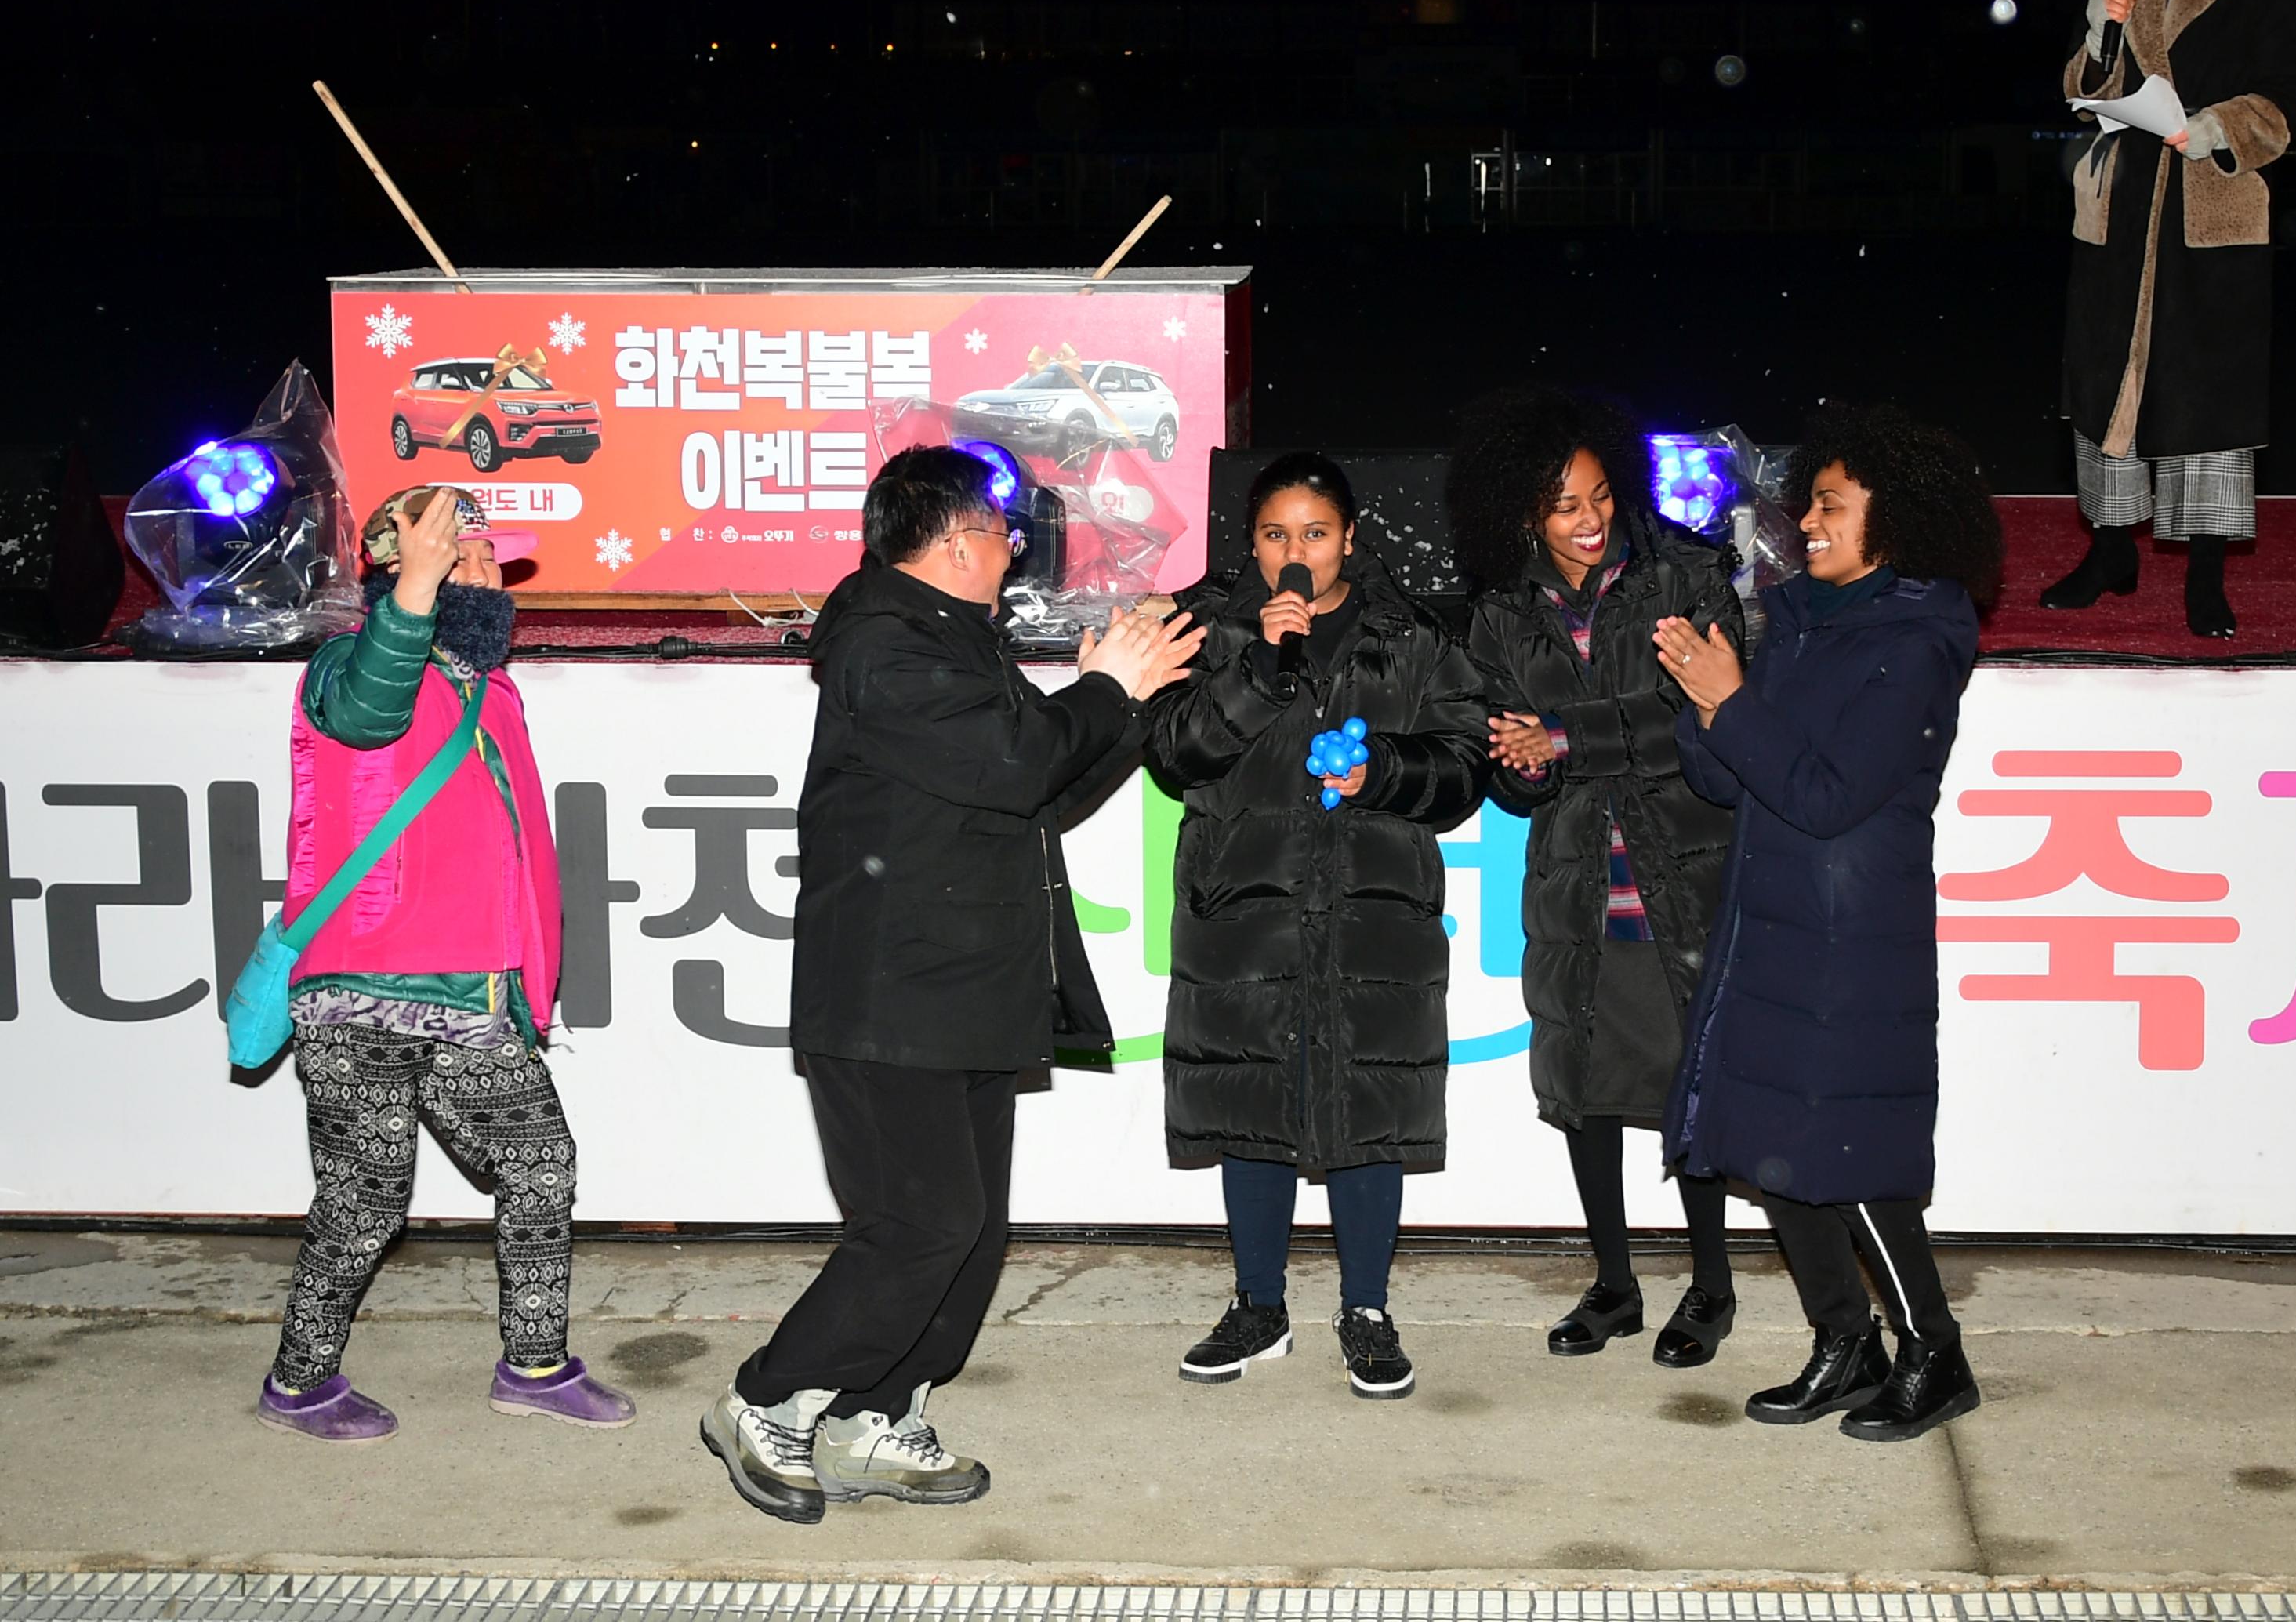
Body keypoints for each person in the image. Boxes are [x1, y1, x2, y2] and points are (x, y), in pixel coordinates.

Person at [703, 445, 1200, 1524]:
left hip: (969, 988)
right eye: (1004, 531)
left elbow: (1039, 783)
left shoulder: (949, 642)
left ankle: (874, 1416)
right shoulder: (886, 647)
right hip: (891, 999)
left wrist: (1130, 700)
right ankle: (765, 1399)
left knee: (970, 1232)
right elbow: (1019, 761)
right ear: (957, 536)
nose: (1014, 549)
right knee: (922, 1225)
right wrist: (1106, 687)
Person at [1655, 402, 2005, 1442]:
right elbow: (1730, 779)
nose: (1806, 522)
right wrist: (1705, 698)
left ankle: (1933, 1352)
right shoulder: (1806, 616)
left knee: (1848, 1154)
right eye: (1809, 502)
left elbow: (1829, 793)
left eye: (1832, 507)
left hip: (1852, 936)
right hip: (1770, 921)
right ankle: (1843, 1340)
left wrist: (1734, 701)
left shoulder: (1919, 638)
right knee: (1777, 1150)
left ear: (1895, 520)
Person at [256, 485, 635, 1442]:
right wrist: (415, 591)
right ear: (401, 564)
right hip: (364, 993)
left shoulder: (490, 690)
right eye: (460, 556)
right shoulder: (350, 663)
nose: (485, 572)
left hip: (474, 994)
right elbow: (369, 711)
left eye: (486, 557)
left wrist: (524, 990)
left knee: (541, 1164)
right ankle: (299, 1382)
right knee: (365, 1201)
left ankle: (536, 1364)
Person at [1148, 451, 1489, 1401]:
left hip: (1373, 913)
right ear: (1249, 540)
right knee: (1253, 1103)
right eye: (1273, 534)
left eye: (1315, 533)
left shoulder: (1414, 633)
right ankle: (1259, 1305)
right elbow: (1175, 752)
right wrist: (1257, 666)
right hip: (1244, 912)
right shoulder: (1206, 628)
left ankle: (1368, 1310)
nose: (1293, 553)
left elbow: (1463, 767)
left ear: (1349, 535)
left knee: (1367, 1108)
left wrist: (1382, 772)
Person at [1449, 387, 1743, 1366]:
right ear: (1522, 512)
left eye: (1601, 494)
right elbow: (1512, 763)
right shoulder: (1498, 612)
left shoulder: (1689, 575)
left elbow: (1707, 720)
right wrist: (1523, 764)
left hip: (1682, 872)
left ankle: (1710, 1284)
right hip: (1579, 881)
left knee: (1685, 1086)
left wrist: (1567, 736)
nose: (1589, 519)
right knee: (1584, 1085)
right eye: (1563, 504)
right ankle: (1615, 1283)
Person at [2047, 0, 2296, 639]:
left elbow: (2291, 100)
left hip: (2211, 212)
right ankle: (2111, 549)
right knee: (2110, 383)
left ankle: (2205, 573)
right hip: (2122, 206)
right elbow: (2082, 91)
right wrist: (2099, 36)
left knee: (2203, 390)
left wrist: (2213, 128)